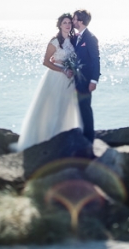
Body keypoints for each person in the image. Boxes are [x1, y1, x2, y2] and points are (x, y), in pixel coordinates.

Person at [15, 14, 83, 151]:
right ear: (60, 25)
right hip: (56, 77)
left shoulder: (74, 40)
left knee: (67, 108)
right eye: (64, 22)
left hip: (70, 79)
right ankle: (51, 140)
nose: (68, 25)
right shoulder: (55, 42)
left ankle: (65, 139)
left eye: (69, 22)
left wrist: (74, 68)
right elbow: (46, 61)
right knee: (55, 108)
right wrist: (63, 70)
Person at [71, 9, 100, 142]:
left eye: (75, 19)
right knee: (78, 106)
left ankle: (89, 138)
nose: (73, 21)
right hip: (76, 79)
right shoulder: (77, 37)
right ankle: (81, 132)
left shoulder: (90, 38)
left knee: (85, 108)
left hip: (86, 80)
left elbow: (95, 60)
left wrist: (94, 80)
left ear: (81, 21)